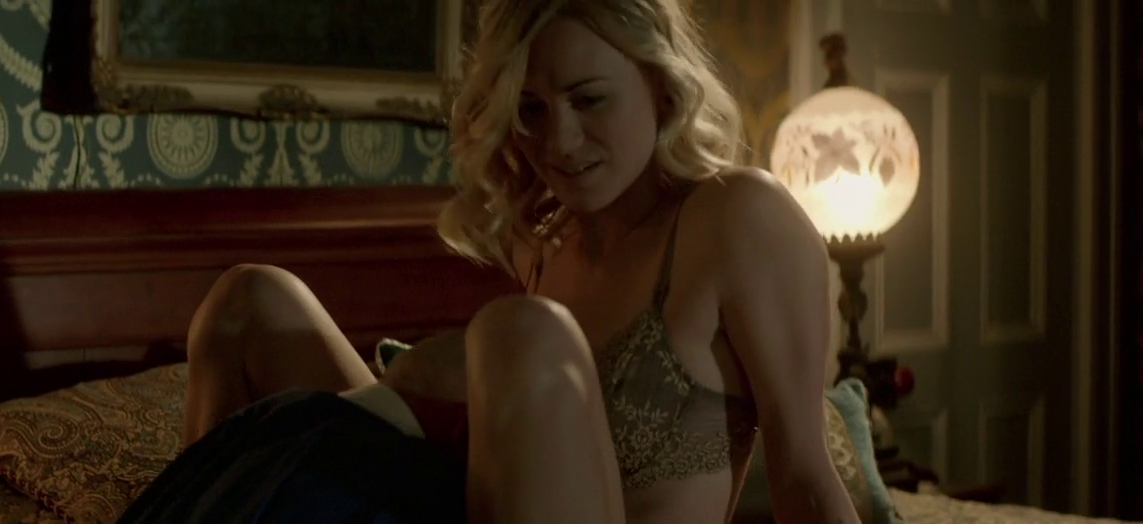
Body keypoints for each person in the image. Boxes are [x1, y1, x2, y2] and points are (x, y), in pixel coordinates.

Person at [153, 0, 861, 523]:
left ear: (661, 83)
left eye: (589, 100)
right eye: (530, 110)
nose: (560, 142)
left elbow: (805, 478)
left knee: (519, 332)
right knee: (251, 300)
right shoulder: (541, 237)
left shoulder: (738, 218)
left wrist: (444, 368)